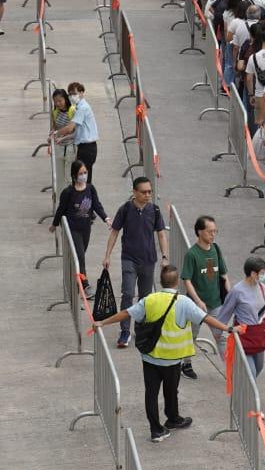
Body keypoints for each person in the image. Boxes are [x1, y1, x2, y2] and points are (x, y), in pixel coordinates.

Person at [91, 265, 234, 443]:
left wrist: (102, 322)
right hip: (172, 359)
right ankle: (173, 418)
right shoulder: (183, 301)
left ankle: (156, 429)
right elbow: (207, 319)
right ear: (177, 283)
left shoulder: (149, 299)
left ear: (161, 281)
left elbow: (126, 313)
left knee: (151, 393)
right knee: (171, 390)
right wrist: (228, 328)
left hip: (150, 357)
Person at [100, 177, 170, 350]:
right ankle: (125, 331)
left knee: (145, 297)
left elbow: (161, 234)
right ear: (134, 192)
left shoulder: (154, 210)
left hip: (148, 260)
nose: (147, 195)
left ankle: (142, 329)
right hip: (129, 259)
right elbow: (115, 232)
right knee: (128, 293)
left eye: (149, 192)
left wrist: (165, 256)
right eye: (144, 192)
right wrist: (107, 255)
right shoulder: (125, 209)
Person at [178, 215, 229, 381]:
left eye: (215, 231)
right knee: (190, 335)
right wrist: (198, 301)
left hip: (215, 302)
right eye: (209, 231)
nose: (213, 235)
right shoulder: (192, 254)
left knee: (221, 335)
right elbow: (186, 280)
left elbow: (223, 274)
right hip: (195, 305)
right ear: (200, 232)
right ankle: (185, 364)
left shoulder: (216, 249)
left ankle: (230, 367)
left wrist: (229, 295)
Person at [214, 256, 265, 377]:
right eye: (262, 273)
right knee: (250, 373)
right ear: (253, 273)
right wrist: (217, 331)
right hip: (244, 337)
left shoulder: (263, 288)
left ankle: (244, 393)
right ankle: (246, 394)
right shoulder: (237, 291)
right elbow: (225, 312)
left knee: (258, 368)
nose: (264, 275)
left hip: (259, 336)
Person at [51, 159, 108, 288]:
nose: (83, 175)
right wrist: (54, 224)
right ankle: (84, 284)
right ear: (74, 175)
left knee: (79, 255)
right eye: (81, 173)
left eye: (85, 172)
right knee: (81, 257)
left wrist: (106, 218)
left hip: (86, 228)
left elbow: (97, 205)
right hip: (73, 229)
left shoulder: (90, 188)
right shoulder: (68, 193)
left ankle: (76, 277)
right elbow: (61, 209)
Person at [52, 81, 99, 180]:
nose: (72, 96)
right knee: (82, 179)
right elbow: (76, 133)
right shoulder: (79, 108)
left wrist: (55, 134)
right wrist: (63, 138)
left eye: (75, 93)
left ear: (82, 92)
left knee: (83, 180)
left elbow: (70, 127)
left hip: (87, 149)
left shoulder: (82, 108)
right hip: (84, 148)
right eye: (70, 94)